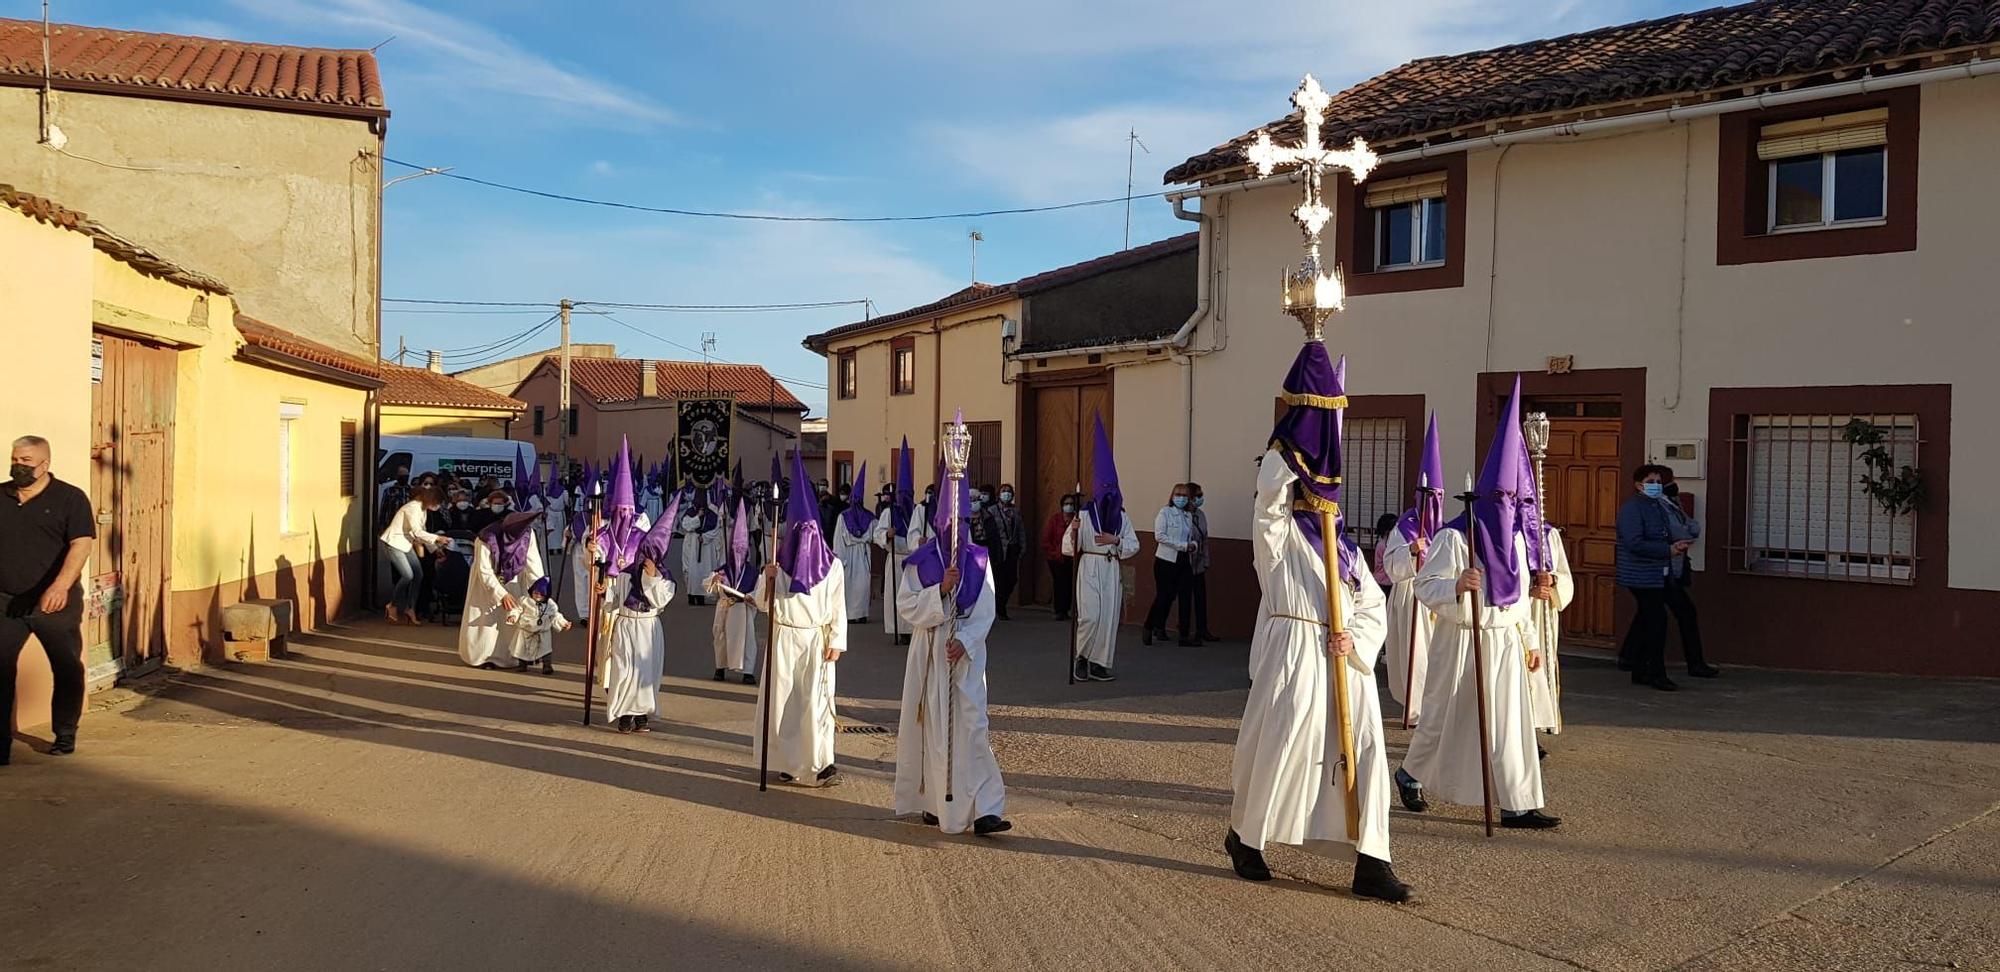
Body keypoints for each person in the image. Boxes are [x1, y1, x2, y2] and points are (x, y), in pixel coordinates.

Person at [1224, 355, 1408, 900]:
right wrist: (1301, 438)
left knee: (1366, 752)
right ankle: (1246, 837)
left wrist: (1356, 640)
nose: (1321, 496)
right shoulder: (1278, 538)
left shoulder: (1345, 549)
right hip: (1296, 650)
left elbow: (1374, 603)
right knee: (1282, 748)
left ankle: (1372, 859)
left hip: (1343, 658)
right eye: (1314, 487)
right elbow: (1268, 502)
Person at [1396, 378, 1561, 830]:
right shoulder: (1454, 536)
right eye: (1503, 498)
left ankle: (1518, 803)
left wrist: (1529, 641)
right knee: (1445, 715)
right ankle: (1409, 774)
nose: (1509, 506)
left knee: (1512, 724)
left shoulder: (1515, 542)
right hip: (1462, 640)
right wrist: (1457, 586)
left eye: (1514, 499)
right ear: (1487, 498)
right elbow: (1424, 585)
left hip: (1505, 642)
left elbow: (1520, 602)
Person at [894, 472, 1010, 836]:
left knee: (974, 726)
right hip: (930, 652)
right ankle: (934, 802)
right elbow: (905, 605)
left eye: (959, 523)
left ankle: (985, 808)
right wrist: (939, 592)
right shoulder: (921, 561)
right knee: (933, 726)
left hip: (967, 657)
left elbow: (986, 608)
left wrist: (968, 642)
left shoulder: (978, 560)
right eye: (948, 523)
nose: (953, 530)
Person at [748, 452, 848, 786]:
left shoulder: (832, 566)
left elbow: (838, 606)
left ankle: (822, 763)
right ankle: (788, 761)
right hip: (785, 639)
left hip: (817, 640)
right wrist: (769, 579)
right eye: (799, 531)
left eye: (810, 530)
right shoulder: (779, 562)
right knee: (785, 701)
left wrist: (837, 641)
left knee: (817, 702)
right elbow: (762, 605)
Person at [2, 435, 95, 764]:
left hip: (54, 601)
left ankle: (65, 733)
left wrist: (60, 586)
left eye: (26, 461)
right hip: (6, 602)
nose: (18, 466)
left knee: (66, 666)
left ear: (45, 464)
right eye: (15, 459)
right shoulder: (1, 495)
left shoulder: (70, 499)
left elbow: (81, 544)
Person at [595, 442, 675, 733]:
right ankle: (625, 713)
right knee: (624, 668)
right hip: (626, 623)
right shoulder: (626, 570)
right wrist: (604, 590)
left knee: (646, 671)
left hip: (648, 626)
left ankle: (642, 713)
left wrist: (652, 576)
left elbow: (660, 600)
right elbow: (613, 593)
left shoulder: (663, 575)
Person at [1063, 416, 1139, 681]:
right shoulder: (1083, 516)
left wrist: (1115, 541)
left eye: (1112, 490)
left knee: (1107, 618)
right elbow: (1067, 548)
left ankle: (1099, 662)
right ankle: (1081, 656)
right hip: (1090, 568)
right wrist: (1073, 534)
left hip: (1110, 567)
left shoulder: (1122, 518)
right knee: (1091, 616)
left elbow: (1133, 545)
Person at [1382, 414, 1445, 727]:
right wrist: (1411, 550)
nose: (1433, 503)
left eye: (1439, 497)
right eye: (1429, 497)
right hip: (1411, 601)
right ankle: (1414, 709)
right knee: (1415, 657)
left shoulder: (1445, 530)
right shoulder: (1405, 528)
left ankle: (1435, 709)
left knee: (1437, 658)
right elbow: (1391, 568)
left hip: (1437, 602)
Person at [1616, 464, 1691, 691]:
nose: (1656, 486)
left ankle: (1639, 668)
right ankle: (1655, 672)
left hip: (1658, 573)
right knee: (1657, 621)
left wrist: (1673, 546)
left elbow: (1663, 534)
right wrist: (1666, 551)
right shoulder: (1632, 509)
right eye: (1651, 482)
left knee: (1649, 620)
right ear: (1639, 485)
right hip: (1640, 575)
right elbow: (1634, 542)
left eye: (1658, 482)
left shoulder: (1656, 505)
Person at [457, 510, 545, 669]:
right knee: (487, 622)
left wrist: (540, 587)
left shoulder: (527, 535)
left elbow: (533, 563)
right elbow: (484, 571)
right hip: (487, 586)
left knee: (512, 621)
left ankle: (515, 656)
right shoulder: (486, 537)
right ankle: (484, 657)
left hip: (514, 581)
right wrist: (501, 594)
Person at [1657, 470, 1718, 679]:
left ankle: (1628, 656)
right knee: (1685, 613)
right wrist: (1688, 528)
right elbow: (1683, 531)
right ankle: (1695, 663)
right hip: (1664, 570)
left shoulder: (1672, 504)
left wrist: (1683, 514)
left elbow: (1691, 526)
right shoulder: (1659, 505)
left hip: (1675, 568)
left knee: (1649, 614)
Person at [869, 441, 928, 646]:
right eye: (902, 495)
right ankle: (900, 630)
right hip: (895, 559)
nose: (905, 498)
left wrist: (922, 540)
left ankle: (914, 629)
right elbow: (877, 534)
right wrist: (888, 534)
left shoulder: (919, 510)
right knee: (897, 596)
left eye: (908, 494)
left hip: (914, 561)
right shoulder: (889, 512)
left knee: (915, 596)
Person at [706, 498, 762, 685]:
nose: (738, 554)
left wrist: (753, 598)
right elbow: (708, 584)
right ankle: (720, 667)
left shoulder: (753, 572)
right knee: (721, 637)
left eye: (741, 551)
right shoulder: (723, 569)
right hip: (725, 608)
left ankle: (747, 671)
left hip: (742, 611)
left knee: (747, 640)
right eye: (735, 551)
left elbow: (759, 591)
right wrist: (713, 581)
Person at [380, 483, 448, 625]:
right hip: (393, 542)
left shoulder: (422, 510)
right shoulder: (413, 507)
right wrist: (437, 538)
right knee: (407, 575)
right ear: (431, 500)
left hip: (406, 543)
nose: (438, 506)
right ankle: (392, 604)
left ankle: (410, 608)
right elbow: (418, 532)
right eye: (437, 502)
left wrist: (435, 549)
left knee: (418, 575)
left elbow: (420, 534)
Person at [1144, 483, 1199, 646]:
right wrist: (1182, 546)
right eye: (1178, 495)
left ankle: (1184, 635)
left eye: (1184, 495)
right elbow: (1160, 536)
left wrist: (1192, 545)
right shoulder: (1165, 513)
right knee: (1164, 596)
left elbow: (1190, 537)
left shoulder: (1188, 516)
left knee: (1185, 596)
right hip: (1166, 561)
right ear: (1172, 496)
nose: (1181, 498)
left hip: (1184, 560)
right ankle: (1149, 626)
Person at [833, 463, 876, 625]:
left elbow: (877, 534)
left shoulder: (869, 517)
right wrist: (839, 560)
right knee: (849, 586)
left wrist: (887, 535)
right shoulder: (843, 517)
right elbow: (838, 539)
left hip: (862, 554)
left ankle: (862, 613)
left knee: (862, 585)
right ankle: (850, 615)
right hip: (848, 555)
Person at [977, 482, 1026, 621]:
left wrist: (1023, 545)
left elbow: (1020, 529)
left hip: (1012, 549)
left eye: (1009, 491)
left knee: (1012, 579)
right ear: (999, 494)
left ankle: (1001, 604)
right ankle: (999, 609)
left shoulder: (1015, 511)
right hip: (998, 549)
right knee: (999, 580)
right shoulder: (991, 510)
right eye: (1004, 491)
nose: (1006, 493)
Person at [509, 577, 570, 675]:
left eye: (541, 594)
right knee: (522, 648)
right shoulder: (525, 601)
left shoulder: (550, 605)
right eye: (536, 593)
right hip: (526, 629)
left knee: (545, 650)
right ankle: (522, 664)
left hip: (542, 631)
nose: (538, 596)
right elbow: (517, 609)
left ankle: (547, 666)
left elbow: (556, 615)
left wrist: (563, 623)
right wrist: (513, 616)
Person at [679, 482, 722, 607]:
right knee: (691, 570)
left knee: (705, 570)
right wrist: (698, 517)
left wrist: (705, 537)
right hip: (692, 543)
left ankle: (702, 595)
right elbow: (686, 525)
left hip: (706, 546)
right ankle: (692, 595)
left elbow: (715, 529)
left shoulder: (711, 513)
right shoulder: (691, 512)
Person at [1185, 483, 1216, 642]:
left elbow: (1205, 539)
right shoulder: (1179, 515)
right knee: (1173, 596)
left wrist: (1206, 560)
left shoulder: (1201, 515)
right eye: (1197, 495)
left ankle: (1202, 629)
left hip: (1198, 564)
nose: (1200, 498)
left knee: (1200, 597)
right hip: (1183, 562)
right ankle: (1159, 627)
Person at [1042, 494, 1078, 621]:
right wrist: (1053, 553)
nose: (1069, 506)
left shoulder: (1077, 520)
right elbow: (1047, 538)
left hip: (1072, 557)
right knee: (1059, 583)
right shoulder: (1055, 520)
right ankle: (1059, 610)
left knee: (1069, 584)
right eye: (1066, 504)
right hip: (1056, 558)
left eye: (1071, 504)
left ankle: (1066, 609)